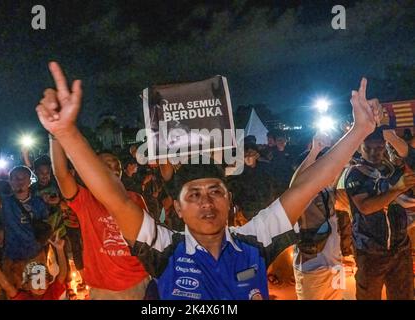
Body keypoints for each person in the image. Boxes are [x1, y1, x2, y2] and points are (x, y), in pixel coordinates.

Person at [35, 61, 380, 299]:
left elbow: (308, 185)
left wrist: (359, 131)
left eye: (215, 191)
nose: (205, 200)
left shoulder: (255, 239)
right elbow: (114, 198)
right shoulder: (162, 246)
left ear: (229, 200)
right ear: (178, 210)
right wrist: (66, 133)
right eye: (193, 194)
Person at [49, 135, 150, 300]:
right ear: (93, 170)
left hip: (137, 281)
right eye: (106, 165)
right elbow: (61, 175)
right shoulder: (84, 199)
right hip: (103, 288)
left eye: (117, 166)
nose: (114, 169)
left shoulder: (135, 198)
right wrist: (55, 135)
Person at [345, 128, 415, 300]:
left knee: (403, 296)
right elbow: (365, 207)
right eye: (367, 148)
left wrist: (393, 138)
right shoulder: (355, 173)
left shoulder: (392, 169)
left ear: (385, 146)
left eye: (378, 147)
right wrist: (397, 188)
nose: (373, 152)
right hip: (370, 251)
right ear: (359, 147)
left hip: (401, 248)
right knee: (368, 296)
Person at [291, 133, 345, 300]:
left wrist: (340, 141)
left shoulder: (326, 188)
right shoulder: (302, 195)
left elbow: (340, 162)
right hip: (312, 269)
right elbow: (295, 185)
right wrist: (313, 152)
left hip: (335, 264)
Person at [0, 165, 49, 288]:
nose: (19, 182)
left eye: (23, 178)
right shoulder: (6, 201)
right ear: (10, 182)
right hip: (12, 257)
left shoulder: (38, 202)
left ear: (30, 181)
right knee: (15, 293)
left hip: (35, 255)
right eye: (15, 178)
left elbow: (45, 224)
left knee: (39, 291)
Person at [0, 233, 67, 300]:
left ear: (26, 285)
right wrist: (60, 250)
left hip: (14, 255)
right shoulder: (52, 294)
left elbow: (8, 287)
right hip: (34, 249)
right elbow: (62, 274)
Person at [228, 141, 277, 220]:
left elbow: (272, 185)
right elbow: (233, 188)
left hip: (265, 207)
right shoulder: (238, 172)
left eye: (250, 154)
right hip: (247, 210)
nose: (248, 157)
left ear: (257, 155)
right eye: (245, 155)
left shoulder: (265, 168)